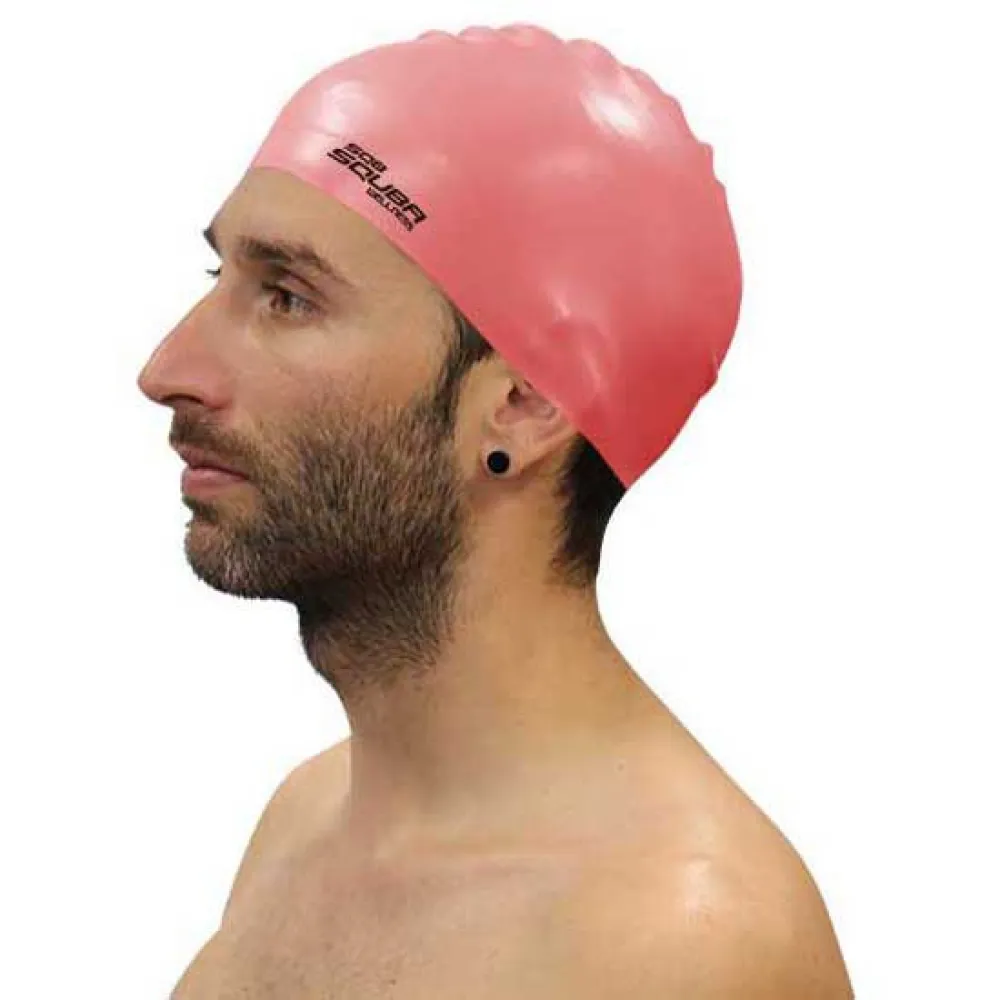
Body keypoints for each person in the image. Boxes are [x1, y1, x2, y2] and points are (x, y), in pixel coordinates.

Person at [137, 23, 853, 999]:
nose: (168, 370)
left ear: (524, 405)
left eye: (289, 298)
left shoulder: (677, 943)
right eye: (218, 279)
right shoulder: (303, 823)